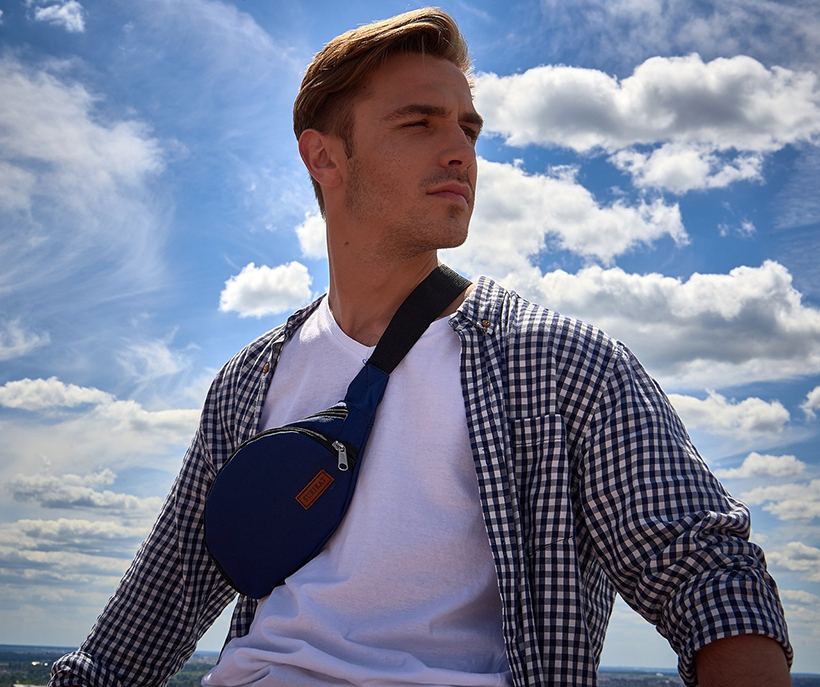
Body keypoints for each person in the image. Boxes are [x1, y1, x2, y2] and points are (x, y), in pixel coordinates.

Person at [50, 8, 792, 687]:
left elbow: (710, 579)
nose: (461, 152)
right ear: (323, 157)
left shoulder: (562, 364)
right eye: (419, 124)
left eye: (468, 130)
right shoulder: (250, 380)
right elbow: (150, 613)